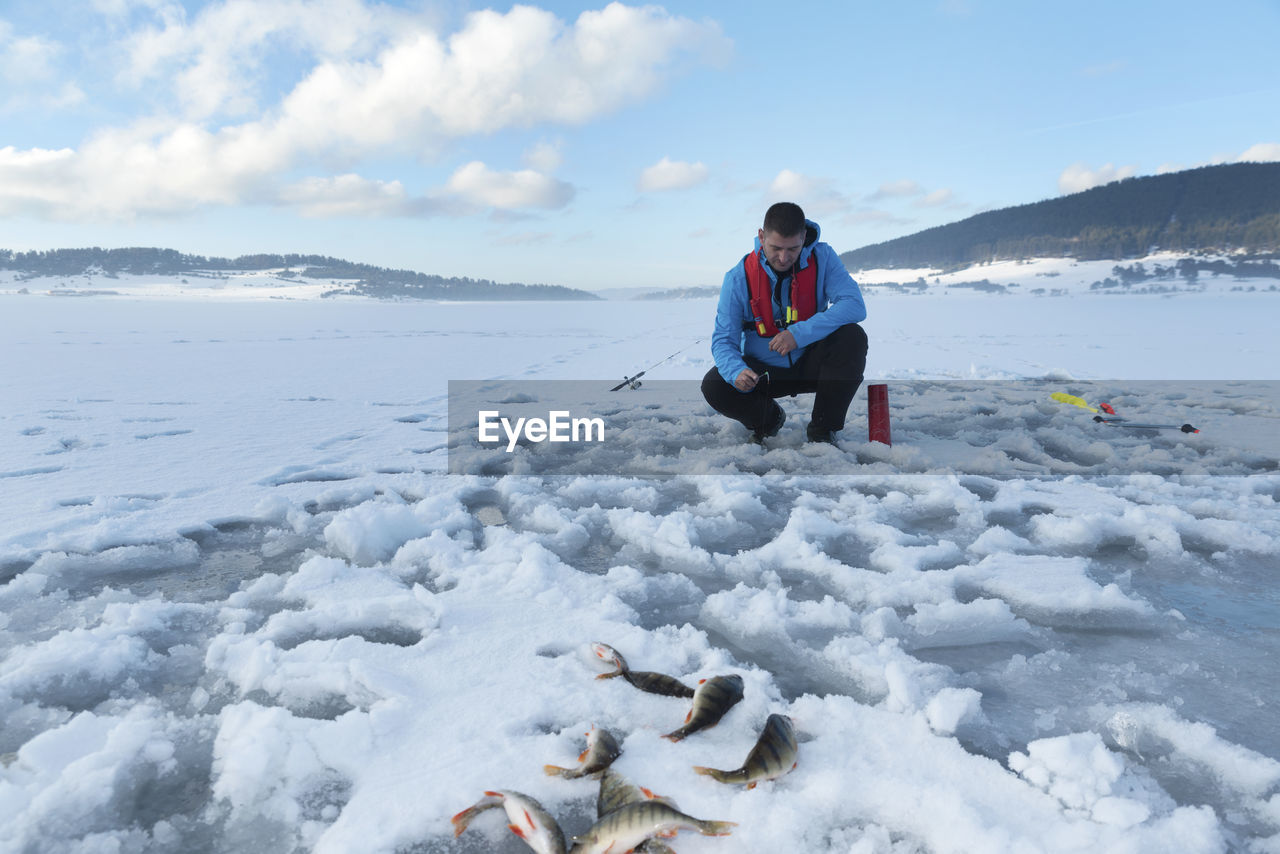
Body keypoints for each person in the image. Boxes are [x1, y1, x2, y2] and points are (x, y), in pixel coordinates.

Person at [701, 202, 868, 444]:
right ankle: (769, 420)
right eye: (776, 247)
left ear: (803, 238)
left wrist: (798, 334)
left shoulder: (823, 258)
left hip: (813, 363)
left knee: (852, 336)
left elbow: (854, 305)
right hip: (765, 373)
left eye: (793, 249)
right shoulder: (737, 278)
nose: (784, 257)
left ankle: (823, 429)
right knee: (716, 384)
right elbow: (723, 341)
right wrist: (736, 371)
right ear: (761, 236)